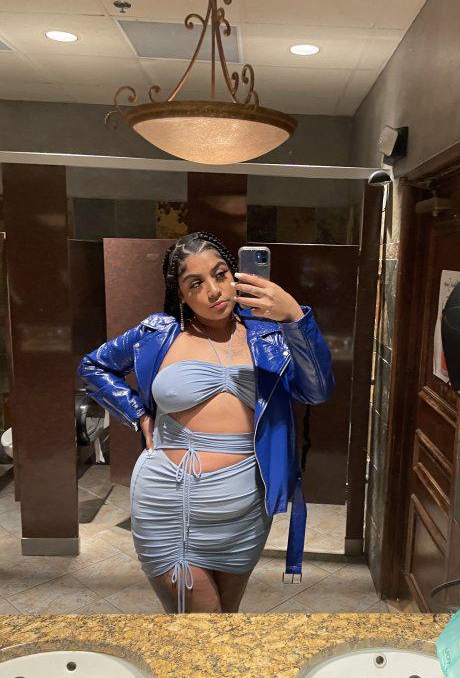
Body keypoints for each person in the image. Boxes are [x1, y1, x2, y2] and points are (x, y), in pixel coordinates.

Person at [77, 231, 335, 614]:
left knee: (224, 623)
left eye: (220, 275)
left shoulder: (269, 336)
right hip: (169, 501)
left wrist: (295, 316)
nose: (213, 291)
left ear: (235, 275)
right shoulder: (158, 334)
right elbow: (93, 366)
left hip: (244, 507)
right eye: (195, 283)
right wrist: (137, 414)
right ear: (181, 295)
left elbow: (317, 390)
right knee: (204, 621)